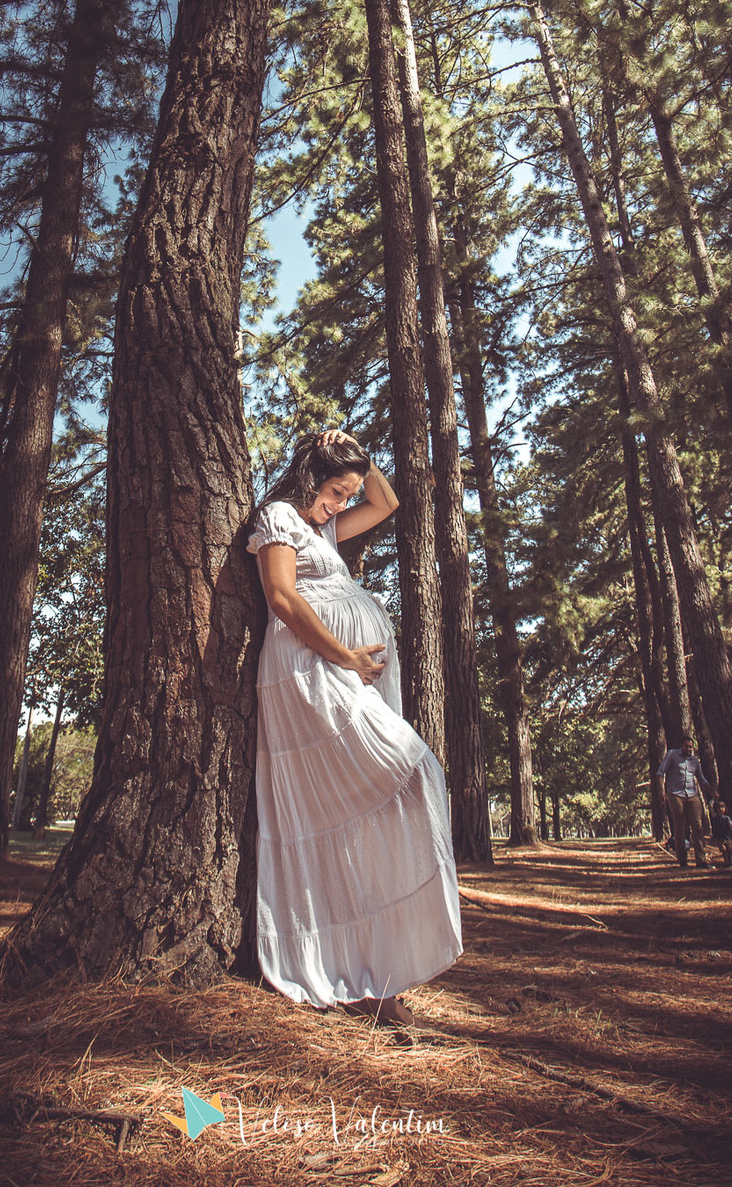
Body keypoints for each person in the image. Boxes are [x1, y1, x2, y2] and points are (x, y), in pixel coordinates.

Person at [248, 429, 462, 1027]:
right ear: (311, 479)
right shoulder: (280, 518)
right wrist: (347, 658)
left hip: (343, 672)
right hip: (308, 676)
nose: (342, 504)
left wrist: (362, 451)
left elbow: (388, 504)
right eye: (336, 492)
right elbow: (284, 600)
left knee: (361, 818)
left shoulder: (325, 527)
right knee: (411, 770)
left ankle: (378, 974)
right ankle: (342, 963)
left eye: (346, 495)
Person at [656, 734, 716, 868]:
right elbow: (660, 773)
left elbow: (701, 779)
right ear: (681, 746)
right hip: (675, 794)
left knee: (698, 825)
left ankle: (701, 860)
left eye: (691, 747)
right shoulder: (672, 755)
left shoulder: (694, 761)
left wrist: (712, 791)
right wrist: (661, 791)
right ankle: (683, 861)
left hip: (692, 795)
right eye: (686, 746)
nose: (689, 749)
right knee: (680, 826)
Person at [710, 797, 732, 868]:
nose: (721, 809)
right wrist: (714, 798)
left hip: (727, 837)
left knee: (730, 849)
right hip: (720, 838)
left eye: (722, 807)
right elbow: (711, 806)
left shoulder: (727, 818)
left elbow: (730, 827)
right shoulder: (715, 817)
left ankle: (730, 860)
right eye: (719, 808)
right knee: (723, 850)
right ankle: (727, 862)